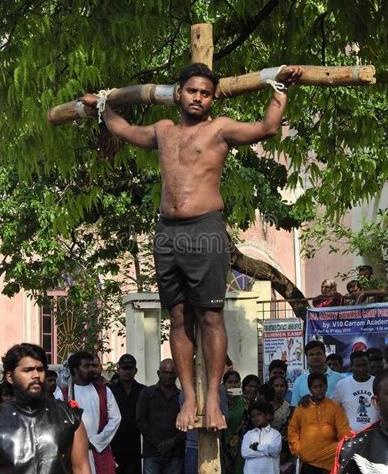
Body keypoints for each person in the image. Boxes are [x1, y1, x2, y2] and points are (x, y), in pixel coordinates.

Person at [80, 63, 303, 432]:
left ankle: (212, 397)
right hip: (167, 231)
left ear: (212, 98)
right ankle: (191, 397)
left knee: (210, 316)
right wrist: (103, 105)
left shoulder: (220, 128)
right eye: (192, 91)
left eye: (205, 92)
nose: (198, 97)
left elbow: (267, 128)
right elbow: (123, 129)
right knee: (178, 317)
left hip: (205, 228)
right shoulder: (163, 130)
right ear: (179, 93)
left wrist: (279, 88)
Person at [0, 343, 99, 474]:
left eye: (40, 369)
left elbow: (82, 469)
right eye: (27, 370)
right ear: (9, 377)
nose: (36, 375)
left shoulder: (69, 415)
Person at [67, 351, 122, 474]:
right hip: (74, 455)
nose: (92, 369)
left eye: (93, 365)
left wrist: (96, 441)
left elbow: (116, 418)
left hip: (99, 451)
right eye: (86, 366)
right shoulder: (64, 393)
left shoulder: (104, 391)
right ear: (74, 370)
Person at [288, 372, 350, 474]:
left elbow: (344, 431)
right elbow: (293, 430)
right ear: (310, 388)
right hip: (309, 461)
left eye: (321, 386)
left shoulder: (334, 407)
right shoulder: (303, 407)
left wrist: (342, 449)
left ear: (326, 387)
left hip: (330, 461)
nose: (318, 390)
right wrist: (298, 449)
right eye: (315, 387)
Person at [134, 359, 185, 474]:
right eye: (165, 372)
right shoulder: (147, 394)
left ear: (177, 374)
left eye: (172, 372)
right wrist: (158, 443)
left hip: (175, 453)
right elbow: (140, 421)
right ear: (158, 373)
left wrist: (171, 443)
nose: (168, 375)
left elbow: (187, 425)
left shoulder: (182, 397)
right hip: (151, 452)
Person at [109, 353, 146, 474]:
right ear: (118, 369)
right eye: (124, 368)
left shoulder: (143, 391)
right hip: (113, 449)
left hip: (134, 450)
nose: (127, 372)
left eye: (130, 368)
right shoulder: (110, 390)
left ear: (135, 370)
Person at [331, 351, 379, 432]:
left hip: (375, 435)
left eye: (364, 365)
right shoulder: (342, 384)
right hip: (351, 438)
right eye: (357, 366)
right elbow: (331, 406)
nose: (361, 369)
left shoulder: (378, 382)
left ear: (369, 365)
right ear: (351, 366)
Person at [291, 341, 346, 406]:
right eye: (311, 354)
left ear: (325, 356)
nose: (315, 357)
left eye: (318, 354)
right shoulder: (299, 381)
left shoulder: (340, 379)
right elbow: (295, 408)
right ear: (307, 358)